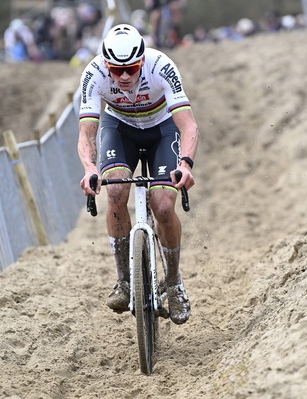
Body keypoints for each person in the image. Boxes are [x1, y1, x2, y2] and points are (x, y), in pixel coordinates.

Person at [77, 24, 199, 325]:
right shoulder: (93, 74)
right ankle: (124, 279)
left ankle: (173, 283)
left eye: (131, 68)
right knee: (116, 192)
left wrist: (185, 164)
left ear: (142, 60)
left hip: (162, 128)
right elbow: (87, 133)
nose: (124, 76)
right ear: (106, 65)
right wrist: (90, 168)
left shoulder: (161, 66)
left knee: (163, 206)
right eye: (117, 71)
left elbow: (189, 126)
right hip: (120, 128)